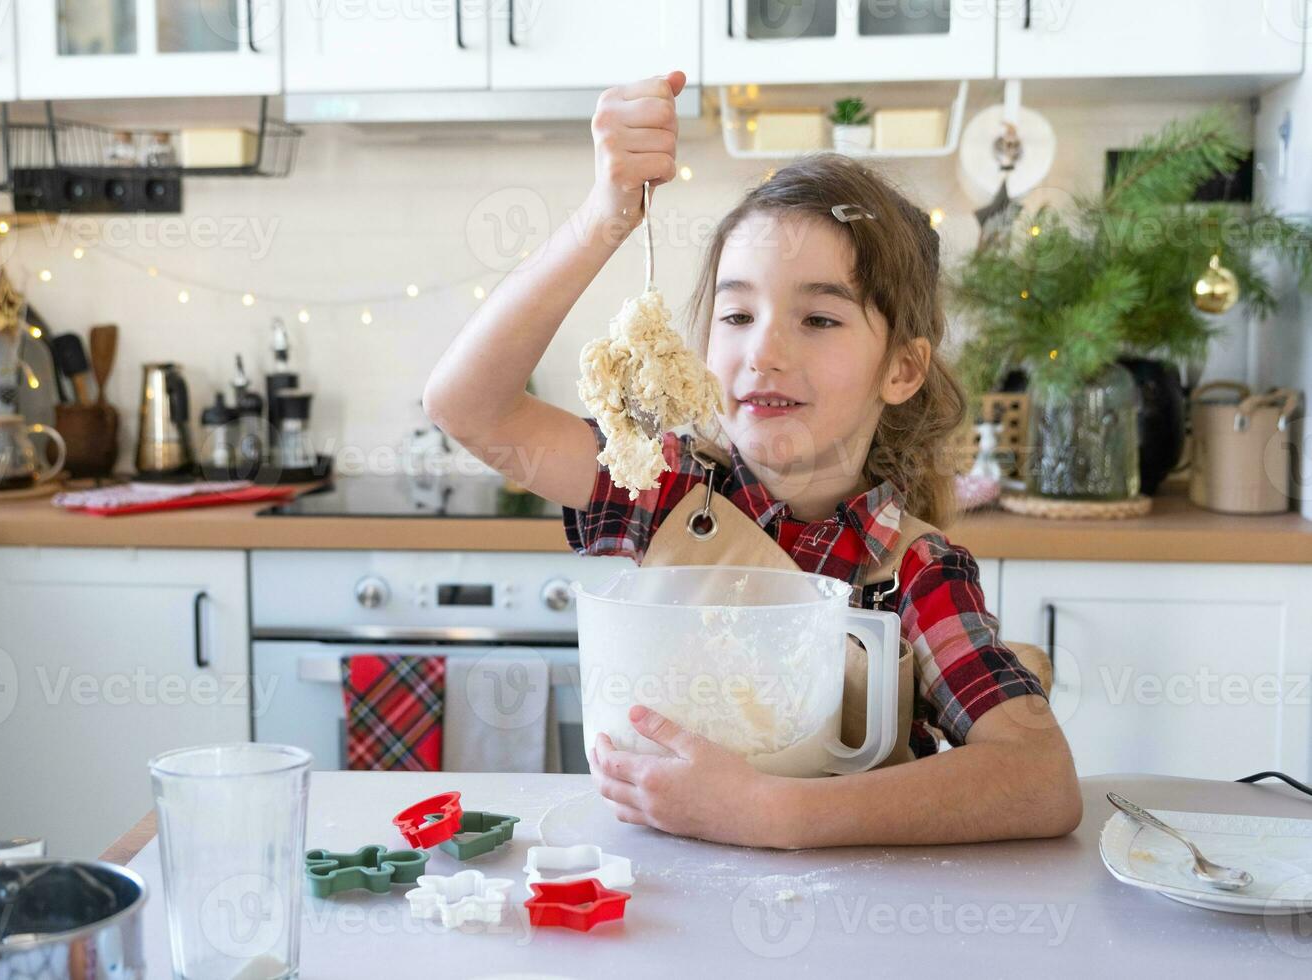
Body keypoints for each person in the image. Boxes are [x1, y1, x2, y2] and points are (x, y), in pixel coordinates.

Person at [423, 72, 1082, 848]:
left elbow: (1041, 779)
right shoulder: (665, 491)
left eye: (818, 317)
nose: (763, 352)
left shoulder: (913, 573)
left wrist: (771, 812)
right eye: (737, 313)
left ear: (901, 369)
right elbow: (470, 407)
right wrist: (605, 218)